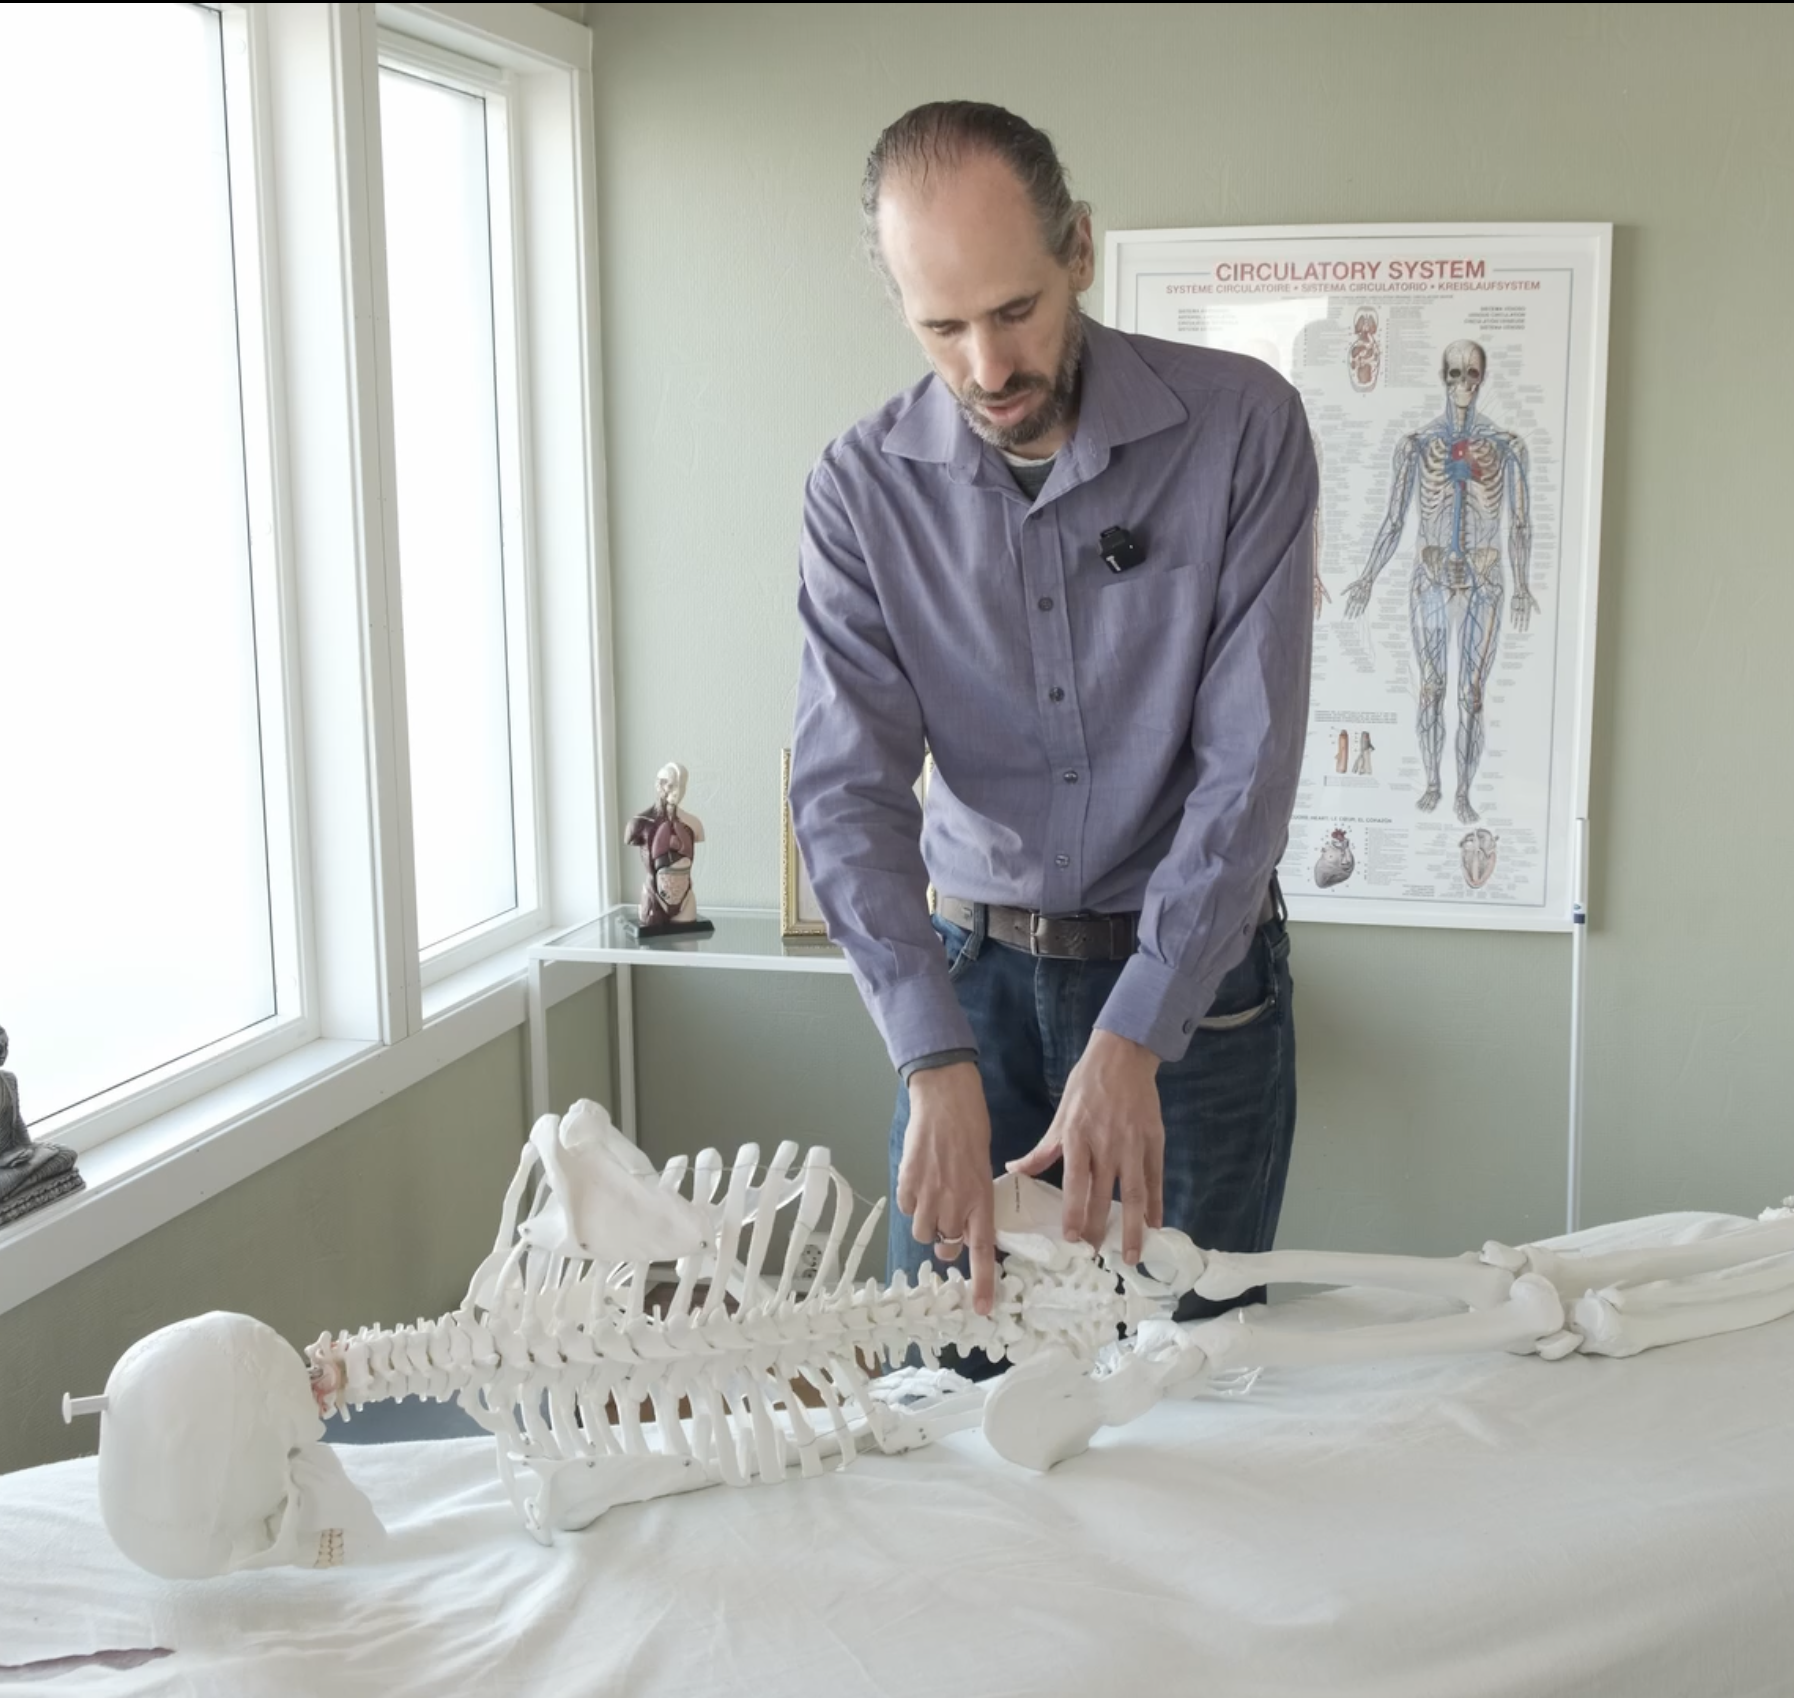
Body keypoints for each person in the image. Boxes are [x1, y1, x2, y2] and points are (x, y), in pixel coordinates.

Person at [789, 102, 1315, 1331]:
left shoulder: (1243, 429)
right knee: (944, 1388)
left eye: (1015, 311)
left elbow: (1251, 764)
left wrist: (1136, 1036)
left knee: (1193, 1379)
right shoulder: (860, 493)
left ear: (1079, 247)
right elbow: (844, 792)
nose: (987, 368)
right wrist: (930, 1054)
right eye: (943, 326)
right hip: (968, 984)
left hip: (1193, 988)